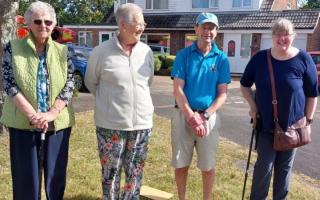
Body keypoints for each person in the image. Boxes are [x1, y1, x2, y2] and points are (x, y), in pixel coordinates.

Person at [0, 1, 75, 199]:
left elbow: (69, 84)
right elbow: (9, 83)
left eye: (48, 22)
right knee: (26, 181)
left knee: (55, 178)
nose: (44, 25)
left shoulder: (64, 51)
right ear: (28, 23)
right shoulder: (13, 48)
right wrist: (33, 116)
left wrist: (52, 114)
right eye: (38, 21)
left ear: (54, 24)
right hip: (23, 124)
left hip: (57, 124)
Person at [240, 18, 318, 200]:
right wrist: (253, 106)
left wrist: (308, 120)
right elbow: (244, 85)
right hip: (266, 125)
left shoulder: (304, 59)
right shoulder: (260, 58)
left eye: (287, 34)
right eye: (278, 34)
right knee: (263, 168)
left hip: (293, 127)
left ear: (293, 36)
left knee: (284, 170)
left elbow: (312, 93)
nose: (282, 38)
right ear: (272, 36)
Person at [84, 3, 154, 200]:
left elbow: (147, 82)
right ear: (123, 25)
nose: (142, 27)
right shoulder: (101, 51)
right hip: (110, 125)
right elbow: (91, 82)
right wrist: (111, 102)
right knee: (110, 174)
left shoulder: (146, 51)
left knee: (135, 172)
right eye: (139, 23)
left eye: (143, 23)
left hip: (141, 124)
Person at [171, 12, 231, 200]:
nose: (208, 31)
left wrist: (204, 116)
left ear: (217, 31)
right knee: (181, 164)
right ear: (196, 29)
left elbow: (222, 94)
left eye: (211, 27)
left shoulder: (221, 59)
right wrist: (191, 116)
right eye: (204, 27)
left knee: (208, 166)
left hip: (208, 117)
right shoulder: (184, 55)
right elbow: (178, 90)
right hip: (183, 115)